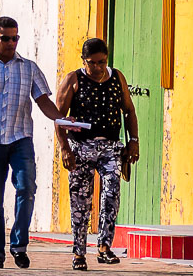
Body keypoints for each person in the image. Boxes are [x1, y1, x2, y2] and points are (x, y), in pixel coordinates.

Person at [0, 16, 63, 269]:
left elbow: (43, 101)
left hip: (20, 140)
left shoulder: (29, 68)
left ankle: (19, 245)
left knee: (27, 189)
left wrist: (63, 119)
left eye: (15, 38)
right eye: (5, 38)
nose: (10, 43)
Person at [55, 38, 140, 270]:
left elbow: (129, 110)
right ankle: (79, 252)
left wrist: (133, 141)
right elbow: (59, 118)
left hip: (111, 147)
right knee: (80, 200)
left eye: (102, 62)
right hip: (81, 148)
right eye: (93, 63)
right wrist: (65, 148)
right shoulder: (73, 80)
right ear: (84, 61)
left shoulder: (117, 78)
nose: (98, 67)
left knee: (111, 192)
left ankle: (104, 246)